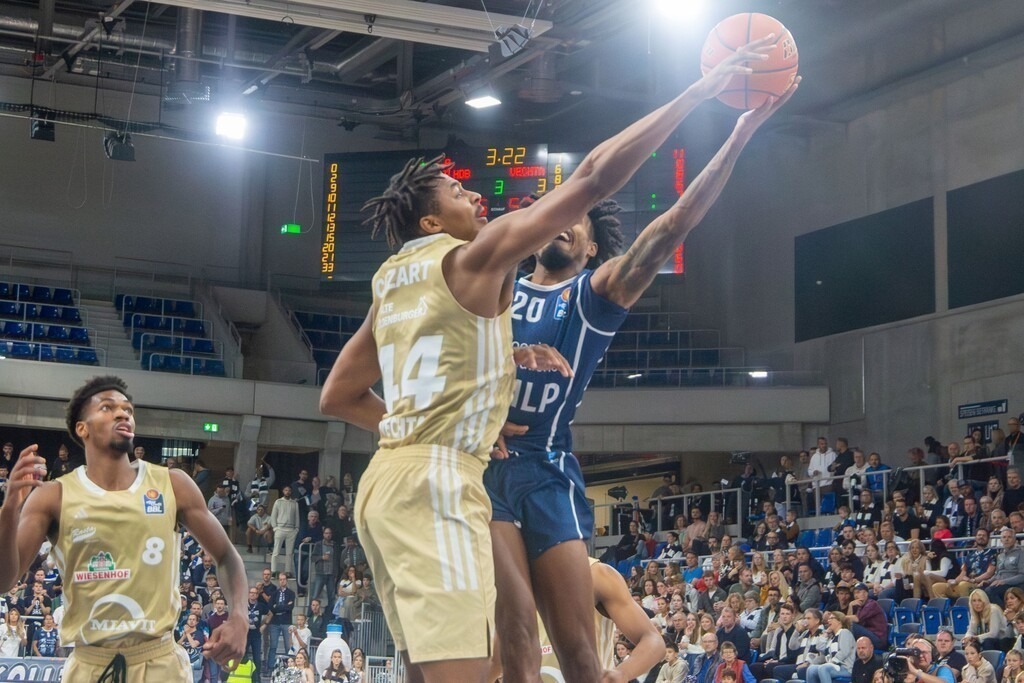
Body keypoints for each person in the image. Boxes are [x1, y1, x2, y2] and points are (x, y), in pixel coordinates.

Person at [318, 40, 799, 683]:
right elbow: (591, 177)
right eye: (458, 189)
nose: (563, 222)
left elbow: (671, 226)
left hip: (536, 466)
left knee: (572, 650)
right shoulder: (486, 271)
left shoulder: (580, 292)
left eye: (577, 223)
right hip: (471, 471)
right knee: (511, 632)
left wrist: (736, 135)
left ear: (593, 246)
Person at [0, 376, 246, 681]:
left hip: (161, 662)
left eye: (127, 409)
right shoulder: (54, 495)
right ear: (82, 428)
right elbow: (4, 580)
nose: (122, 413)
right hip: (90, 664)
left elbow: (226, 556)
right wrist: (9, 511)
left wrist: (239, 616)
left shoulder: (172, 483)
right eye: (107, 407)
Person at [806, 611, 855, 683]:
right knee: (811, 669)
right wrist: (825, 634)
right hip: (832, 666)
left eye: (832, 618)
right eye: (828, 619)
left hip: (844, 668)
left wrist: (832, 662)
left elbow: (844, 652)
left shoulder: (845, 632)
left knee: (823, 668)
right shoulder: (831, 636)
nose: (829, 620)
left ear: (839, 621)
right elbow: (820, 648)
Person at [270, 485, 300, 575]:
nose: (287, 492)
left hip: (291, 530)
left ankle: (288, 571)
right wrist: (275, 528)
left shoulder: (294, 503)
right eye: (286, 490)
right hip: (280, 528)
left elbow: (297, 516)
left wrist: (296, 529)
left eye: (289, 490)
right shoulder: (278, 502)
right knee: (276, 552)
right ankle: (273, 570)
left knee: (289, 553)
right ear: (283, 491)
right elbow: (273, 516)